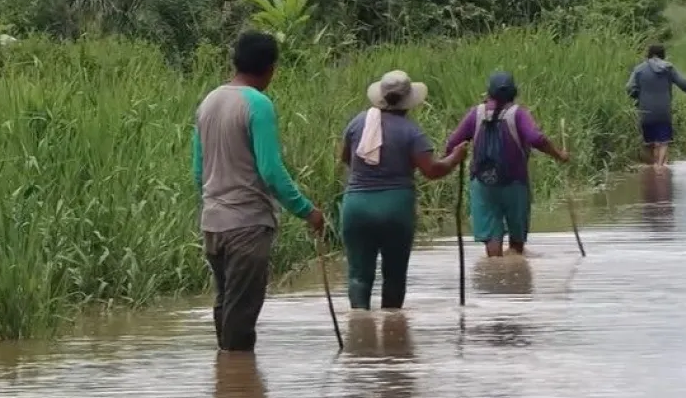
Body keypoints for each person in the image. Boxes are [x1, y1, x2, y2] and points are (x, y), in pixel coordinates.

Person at [192, 31, 325, 353]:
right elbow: (271, 171)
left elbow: (199, 169)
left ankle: (228, 388)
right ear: (271, 68)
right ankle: (238, 386)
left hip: (213, 223)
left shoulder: (209, 101)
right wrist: (307, 210)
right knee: (242, 314)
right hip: (247, 225)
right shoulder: (258, 104)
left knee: (226, 304)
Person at [340, 70, 469, 310]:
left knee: (358, 275)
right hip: (396, 209)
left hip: (356, 206)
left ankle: (359, 332)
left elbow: (347, 158)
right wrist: (455, 157)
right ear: (408, 100)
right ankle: (392, 335)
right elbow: (432, 170)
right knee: (394, 276)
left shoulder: (357, 123)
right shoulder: (411, 132)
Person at [445, 71, 568, 258]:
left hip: (483, 184)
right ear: (514, 92)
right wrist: (559, 155)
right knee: (517, 238)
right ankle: (515, 275)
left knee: (492, 242)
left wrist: (448, 160)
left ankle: (495, 273)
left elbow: (452, 142)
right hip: (515, 183)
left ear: (488, 93)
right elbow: (537, 138)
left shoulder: (476, 114)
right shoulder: (518, 114)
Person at [625, 44, 686, 167]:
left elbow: (629, 88)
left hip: (645, 111)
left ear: (649, 54)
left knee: (649, 142)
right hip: (663, 111)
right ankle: (660, 167)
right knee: (663, 142)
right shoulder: (668, 69)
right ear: (663, 55)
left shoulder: (639, 69)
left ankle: (652, 168)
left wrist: (639, 97)